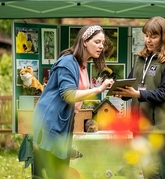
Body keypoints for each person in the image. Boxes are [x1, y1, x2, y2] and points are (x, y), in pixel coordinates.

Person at [31, 25, 114, 179]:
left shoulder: (81, 64)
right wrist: (98, 89)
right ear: (84, 41)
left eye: (102, 43)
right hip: (49, 124)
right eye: (97, 42)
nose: (101, 46)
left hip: (63, 124)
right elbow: (68, 95)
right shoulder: (68, 62)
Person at [113, 16, 165, 179]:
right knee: (149, 173)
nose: (148, 40)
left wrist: (137, 94)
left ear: (164, 36)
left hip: (161, 129)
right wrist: (121, 91)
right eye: (146, 35)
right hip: (140, 127)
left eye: (153, 36)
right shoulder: (140, 59)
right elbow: (131, 85)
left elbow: (164, 93)